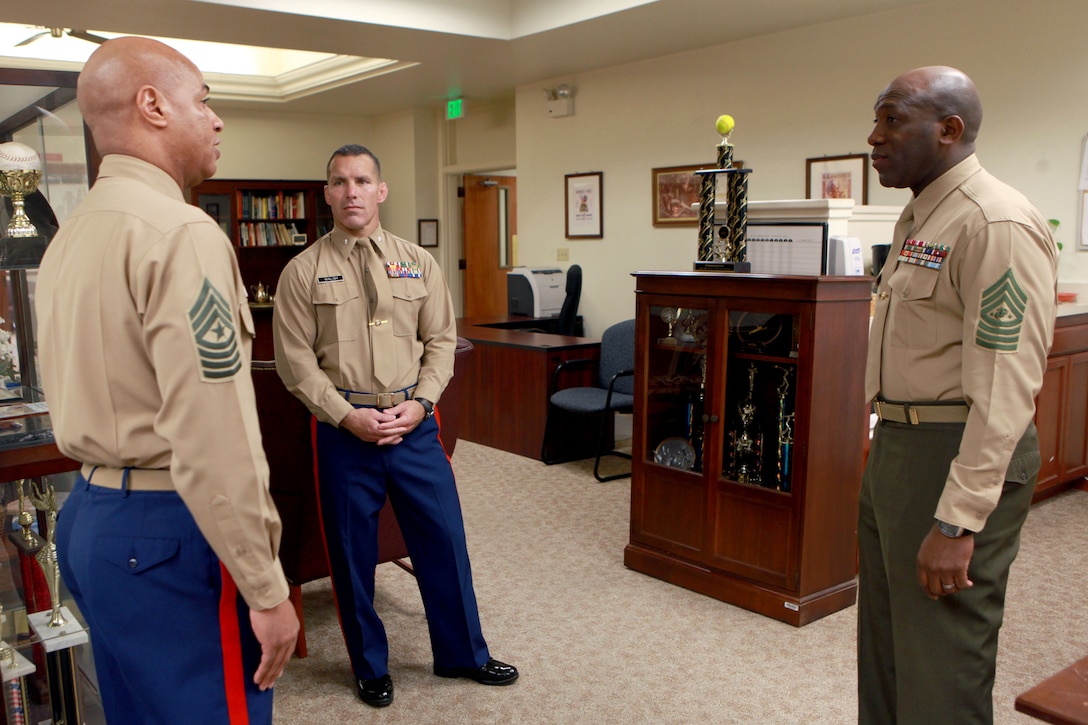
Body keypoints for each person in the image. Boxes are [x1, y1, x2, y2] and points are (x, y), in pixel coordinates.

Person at [36, 37, 299, 724]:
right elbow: (215, 435)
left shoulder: (71, 234)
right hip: (169, 529)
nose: (216, 120)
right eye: (204, 100)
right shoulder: (181, 232)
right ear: (153, 105)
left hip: (89, 517)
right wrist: (268, 590)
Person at [272, 144, 518, 708]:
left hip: (415, 425)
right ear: (328, 193)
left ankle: (463, 654)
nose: (351, 190)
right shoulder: (302, 270)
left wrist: (424, 404)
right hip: (342, 430)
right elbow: (295, 363)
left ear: (381, 191)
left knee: (445, 540)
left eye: (362, 180)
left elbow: (440, 343)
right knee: (351, 552)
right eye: (339, 181)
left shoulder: (418, 262)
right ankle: (369, 666)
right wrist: (345, 415)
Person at [859, 66, 1058, 723]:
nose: (874, 135)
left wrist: (958, 519)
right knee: (888, 649)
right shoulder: (924, 213)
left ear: (949, 130)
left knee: (941, 663)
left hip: (956, 450)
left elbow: (1006, 389)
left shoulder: (992, 222)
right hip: (901, 444)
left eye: (892, 119)